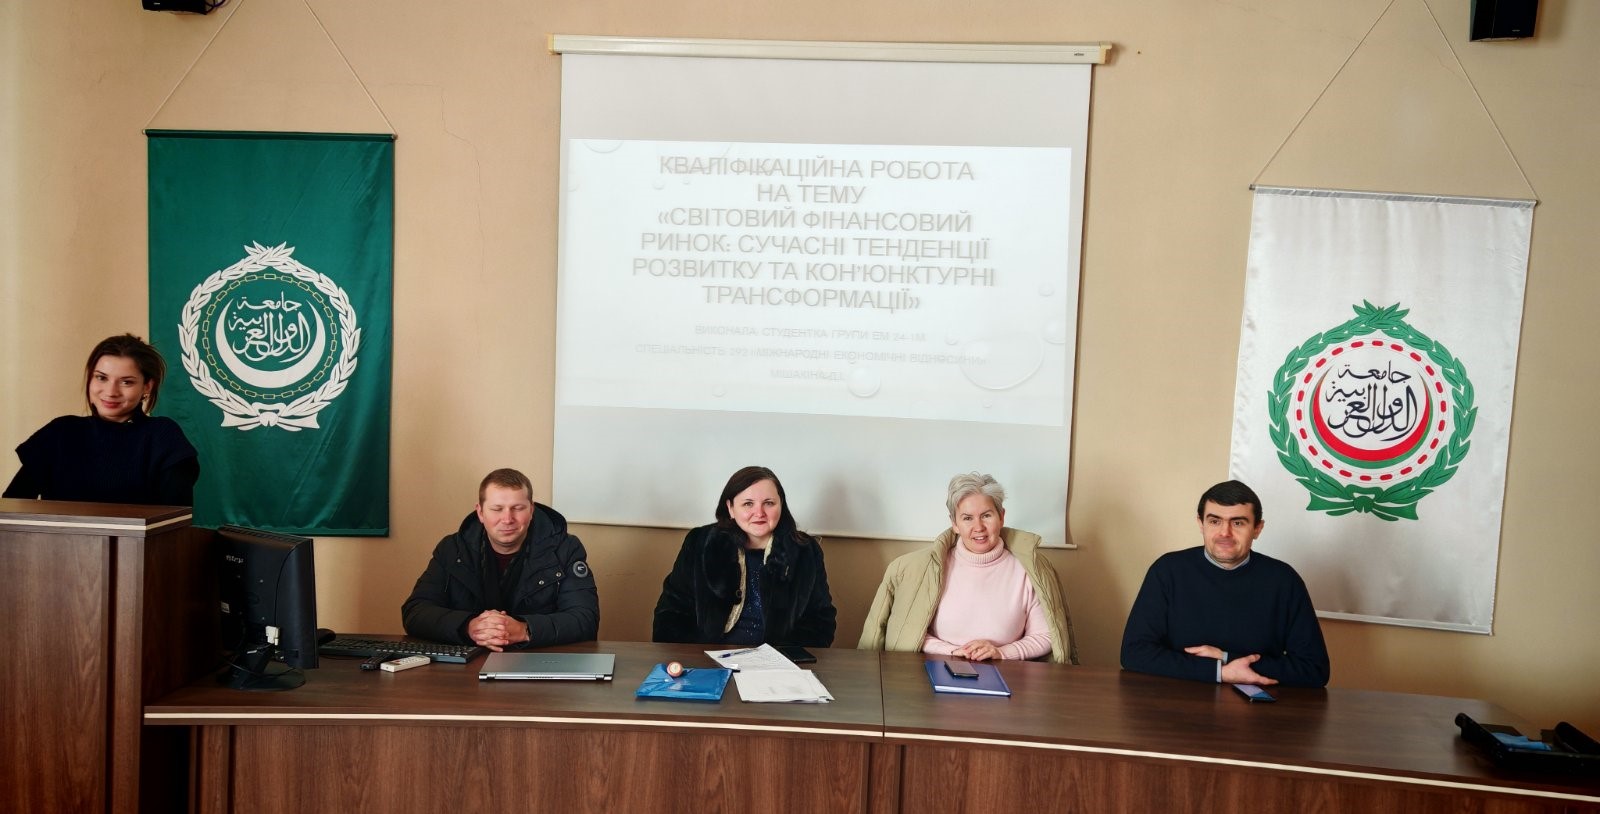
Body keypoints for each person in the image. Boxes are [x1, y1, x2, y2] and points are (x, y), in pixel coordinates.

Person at [1120, 480, 1330, 687]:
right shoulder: (1167, 571)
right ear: (1201, 524)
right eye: (1214, 521)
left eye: (1238, 523)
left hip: (1258, 705)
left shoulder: (1284, 580)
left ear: (1257, 528)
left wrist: (1226, 657)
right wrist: (1219, 672)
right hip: (1175, 701)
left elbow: (1314, 670)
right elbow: (1134, 652)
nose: (1224, 533)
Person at [858, 472, 1078, 663]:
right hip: (931, 673)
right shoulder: (917, 569)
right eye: (967, 518)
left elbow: (1045, 636)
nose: (978, 527)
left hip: (1010, 678)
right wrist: (954, 651)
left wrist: (1000, 653)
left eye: (986, 516)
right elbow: (910, 631)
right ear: (954, 524)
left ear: (1001, 517)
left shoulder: (1031, 570)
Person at [402, 468, 598, 651]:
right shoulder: (452, 549)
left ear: (531, 510)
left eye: (518, 508)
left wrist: (524, 630)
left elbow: (586, 618)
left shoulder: (566, 549)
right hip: (467, 662)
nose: (507, 519)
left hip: (540, 662)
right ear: (480, 512)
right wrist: (469, 626)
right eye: (497, 509)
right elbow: (415, 612)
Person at [4, 333, 199, 506]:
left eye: (126, 382)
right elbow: (12, 508)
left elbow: (175, 522)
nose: (111, 392)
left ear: (147, 387)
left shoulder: (163, 437)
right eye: (101, 378)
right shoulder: (60, 432)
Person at [652, 465, 836, 647]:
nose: (759, 513)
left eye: (769, 503)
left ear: (781, 505)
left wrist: (786, 655)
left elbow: (821, 620)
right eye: (748, 504)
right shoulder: (700, 542)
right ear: (730, 508)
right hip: (707, 658)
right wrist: (695, 656)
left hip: (779, 660)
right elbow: (671, 613)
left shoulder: (805, 551)